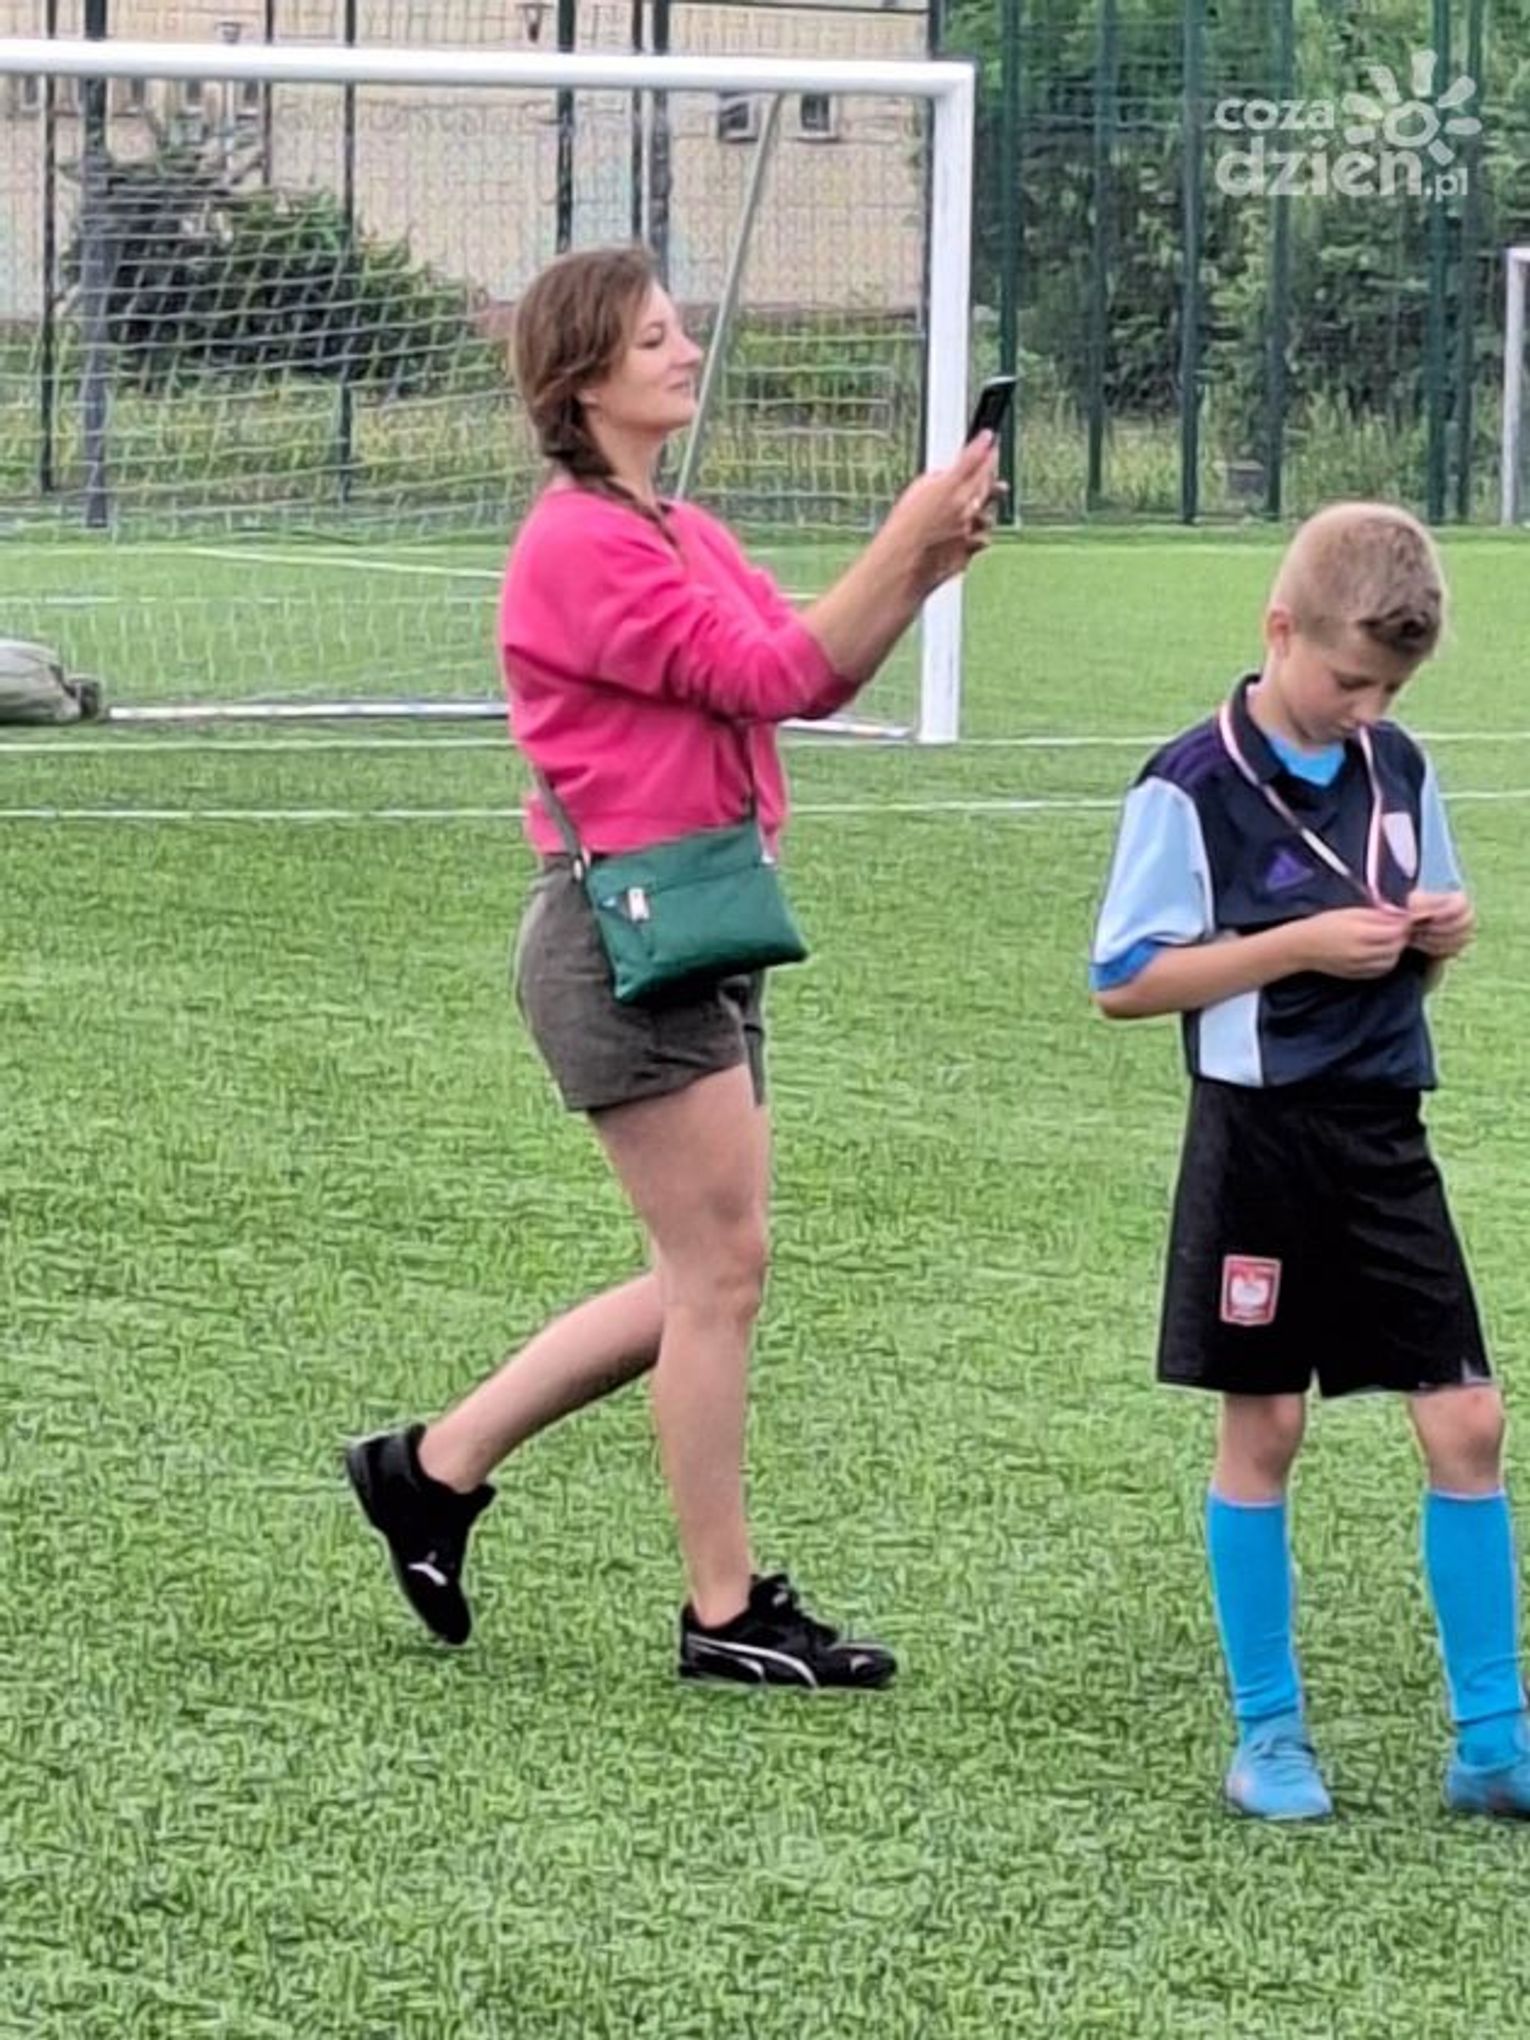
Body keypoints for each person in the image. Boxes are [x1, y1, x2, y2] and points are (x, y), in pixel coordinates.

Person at [345, 243, 998, 1689]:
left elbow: (808, 671)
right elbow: (770, 676)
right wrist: (902, 539)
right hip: (619, 936)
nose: (685, 349)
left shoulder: (676, 530)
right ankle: (723, 1610)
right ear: (582, 380)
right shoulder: (579, 546)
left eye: (677, 329)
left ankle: (430, 1470)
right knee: (717, 1273)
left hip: (699, 923)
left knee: (708, 1271)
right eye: (653, 338)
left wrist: (921, 567)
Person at [1089, 501, 1530, 1819]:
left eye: (1389, 690)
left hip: (1384, 1132)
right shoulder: (1189, 786)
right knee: (1266, 1424)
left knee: (1468, 1418)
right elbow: (1123, 979)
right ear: (1278, 630)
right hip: (1259, 1145)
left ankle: (1494, 1742)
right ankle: (1268, 1736)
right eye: (1348, 681)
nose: (1365, 709)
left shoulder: (1398, 766)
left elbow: (1416, 941)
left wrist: (1435, 939)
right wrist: (1295, 947)